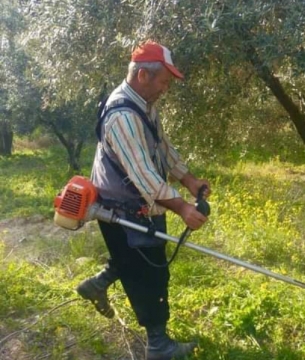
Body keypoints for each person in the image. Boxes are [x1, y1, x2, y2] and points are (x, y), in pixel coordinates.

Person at [76, 40, 210, 360]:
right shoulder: (123, 115)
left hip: (139, 203)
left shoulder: (145, 105)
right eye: (164, 81)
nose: (166, 88)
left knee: (136, 260)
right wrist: (181, 208)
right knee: (150, 272)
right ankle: (158, 345)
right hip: (124, 206)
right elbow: (143, 174)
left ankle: (98, 284)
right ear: (142, 76)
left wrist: (189, 180)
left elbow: (162, 147)